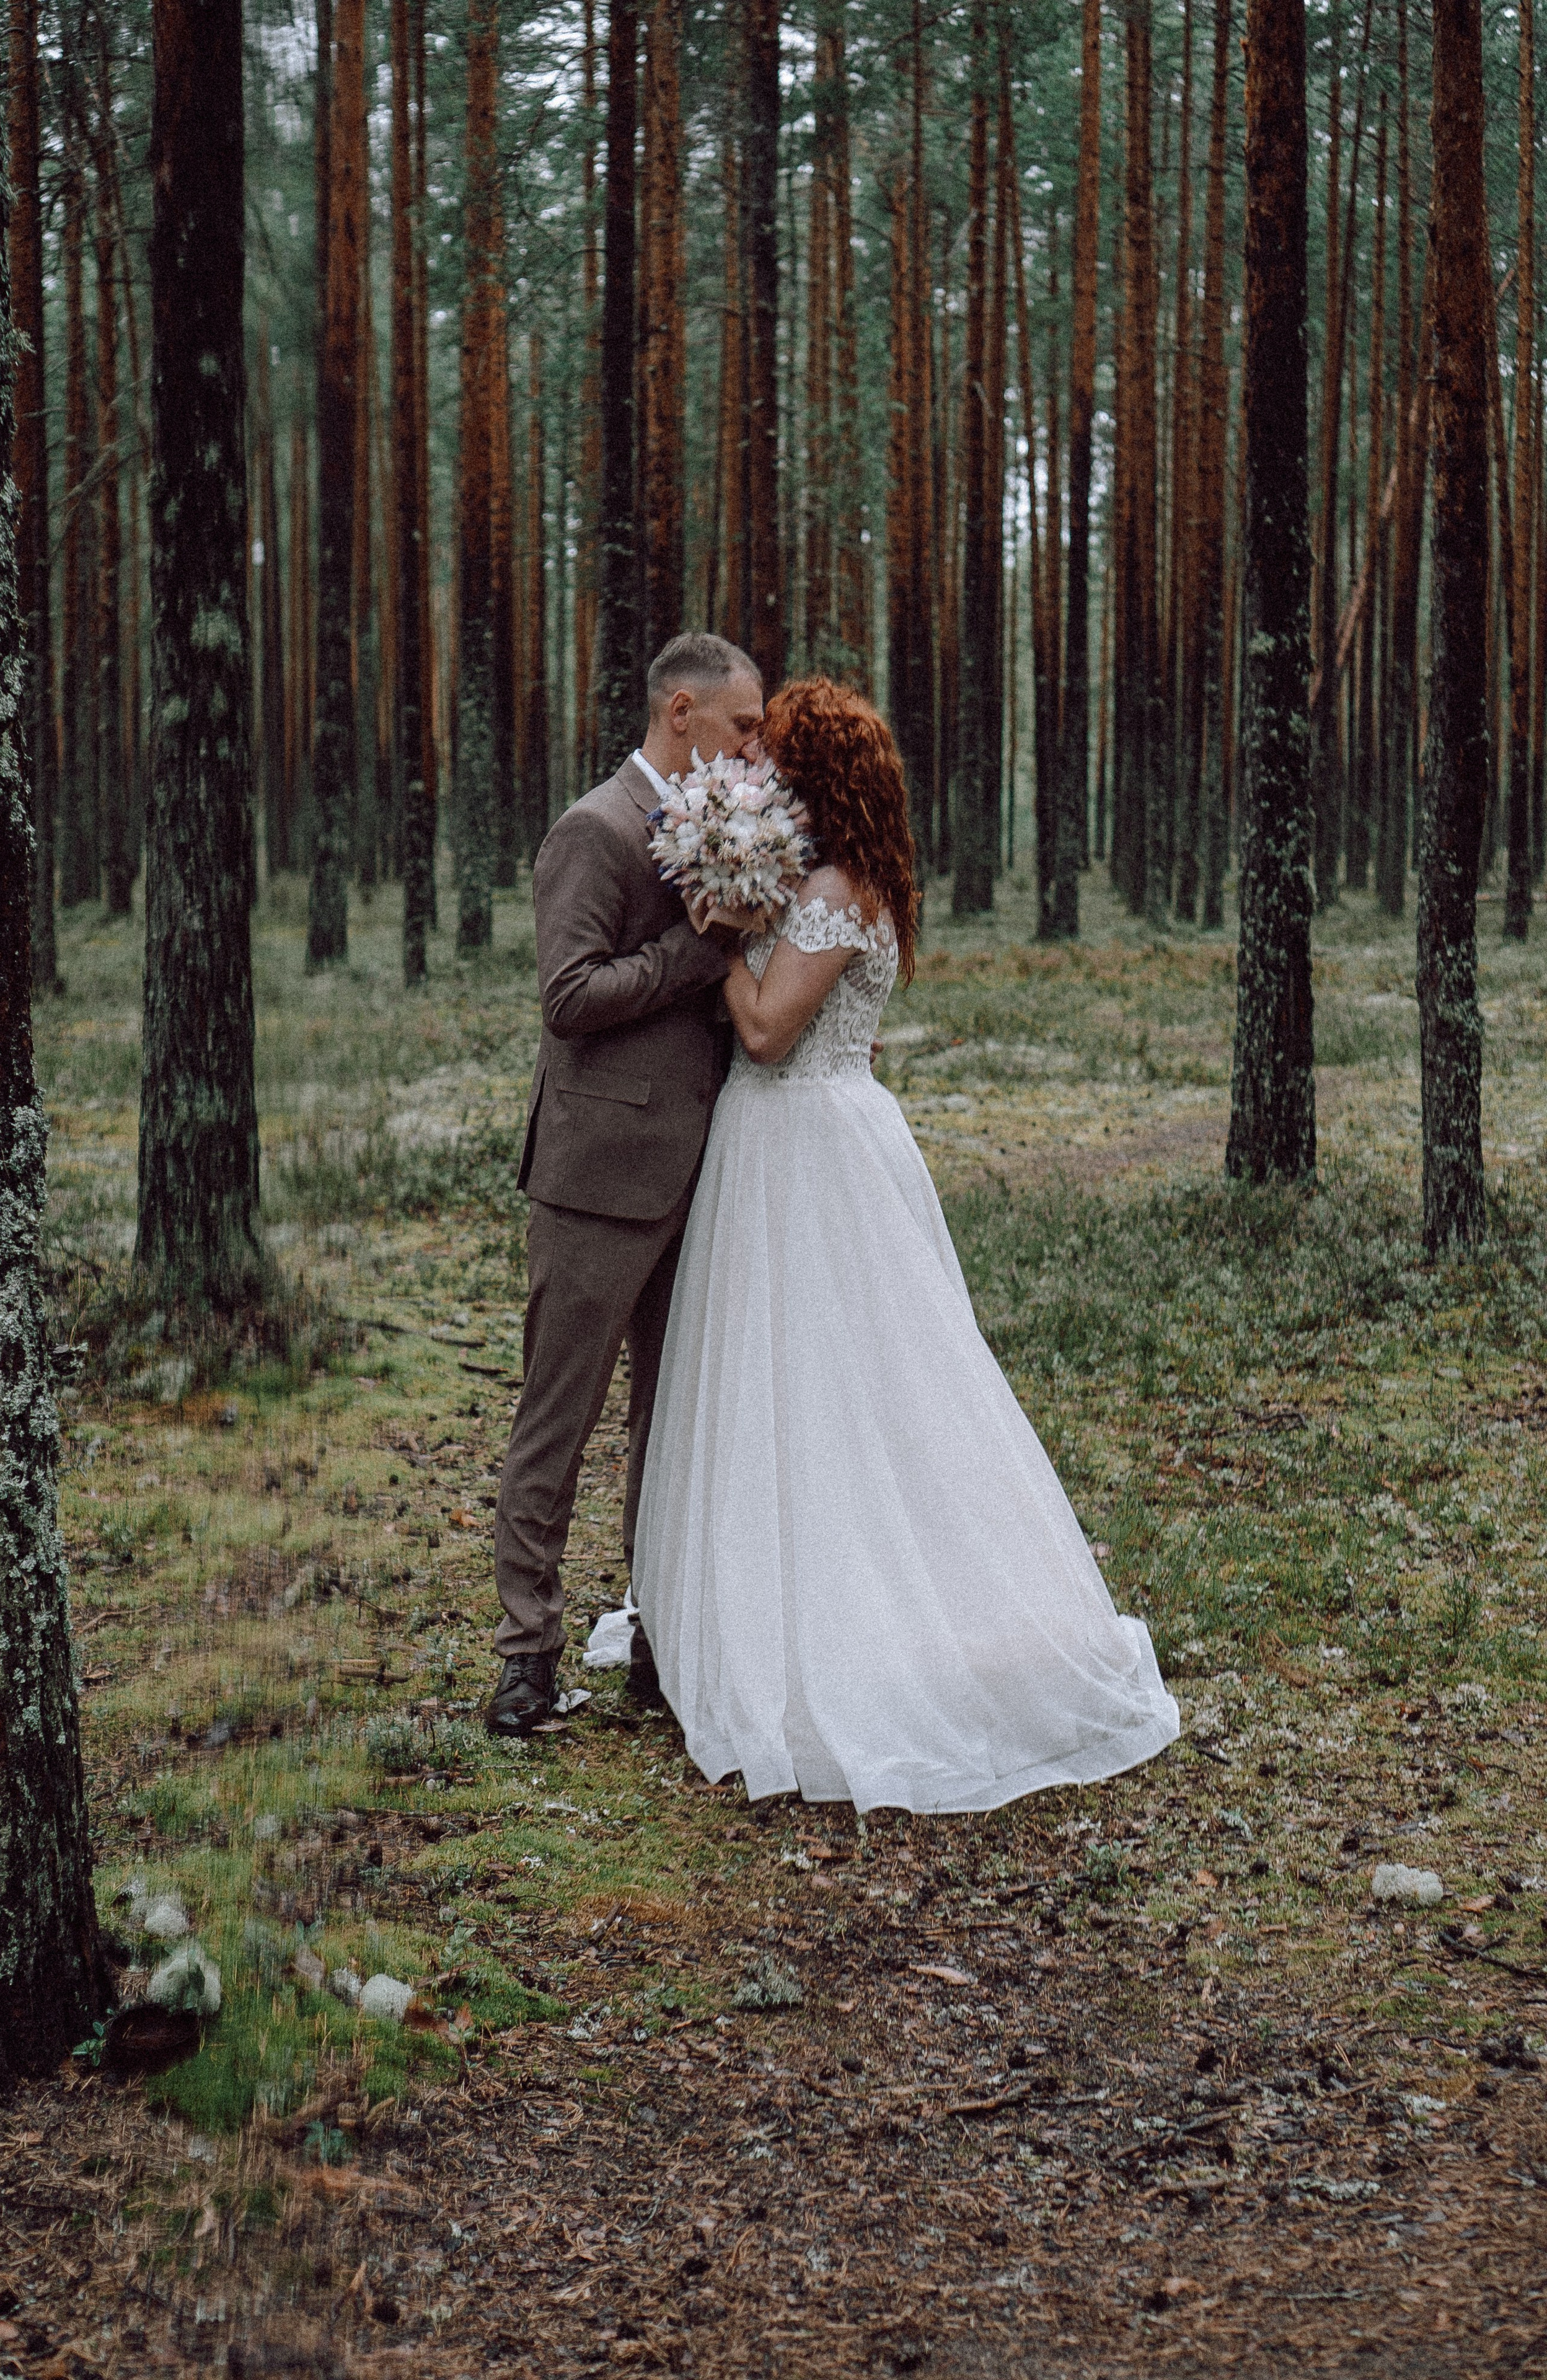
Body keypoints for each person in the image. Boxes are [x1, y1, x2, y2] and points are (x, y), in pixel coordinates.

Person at [631, 679, 1180, 1812]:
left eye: (780, 756)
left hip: (800, 1144)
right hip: (815, 1138)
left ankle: (838, 1624)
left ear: (818, 778)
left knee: (838, 1383)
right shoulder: (848, 880)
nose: (763, 770)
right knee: (805, 1380)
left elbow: (772, 1033)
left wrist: (718, 940)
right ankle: (773, 1592)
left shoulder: (833, 891)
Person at [488, 633, 764, 1734]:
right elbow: (569, 995)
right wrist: (698, 956)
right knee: (559, 1417)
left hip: (702, 1172)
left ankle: (659, 1634)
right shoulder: (593, 831)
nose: (755, 751)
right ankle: (526, 1657)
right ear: (682, 711)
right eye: (743, 728)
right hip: (597, 1179)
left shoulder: (722, 833)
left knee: (672, 1421)